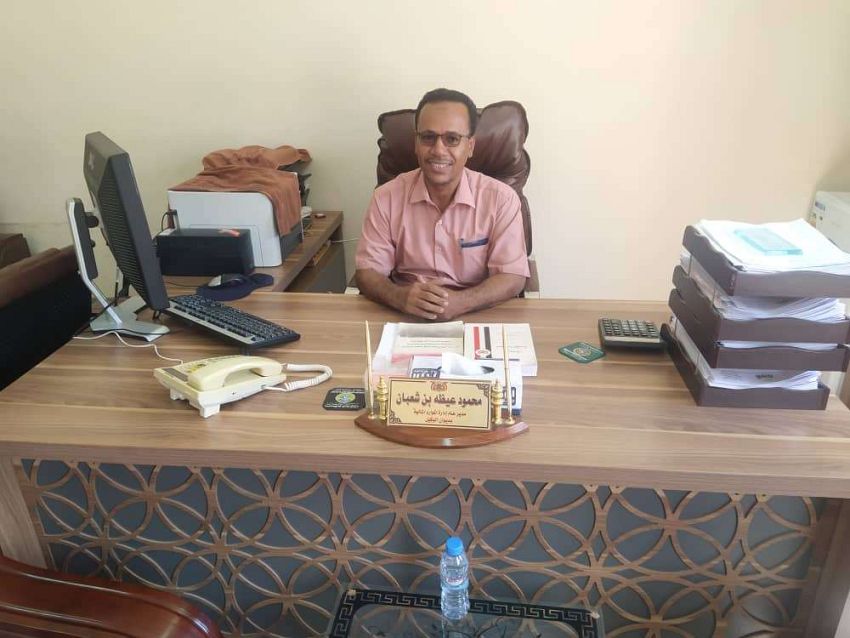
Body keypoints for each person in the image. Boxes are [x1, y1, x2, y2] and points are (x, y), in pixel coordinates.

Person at [355, 88, 529, 320]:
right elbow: (368, 271)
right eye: (428, 137)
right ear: (416, 143)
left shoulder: (501, 199)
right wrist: (399, 297)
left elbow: (512, 276)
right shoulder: (386, 198)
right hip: (404, 313)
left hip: (477, 313)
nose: (438, 150)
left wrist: (462, 302)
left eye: (452, 139)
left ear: (470, 146)